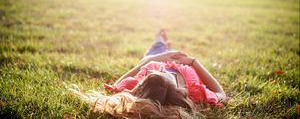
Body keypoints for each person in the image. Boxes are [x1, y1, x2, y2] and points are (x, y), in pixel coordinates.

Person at [69, 29, 226, 119]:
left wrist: (153, 59)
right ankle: (162, 39)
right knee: (162, 45)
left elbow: (116, 85)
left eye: (154, 72)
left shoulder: (138, 81)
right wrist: (193, 62)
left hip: (154, 56)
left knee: (156, 46)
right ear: (177, 90)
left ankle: (160, 38)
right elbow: (221, 95)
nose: (160, 68)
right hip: (181, 60)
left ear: (141, 85)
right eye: (163, 72)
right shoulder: (193, 91)